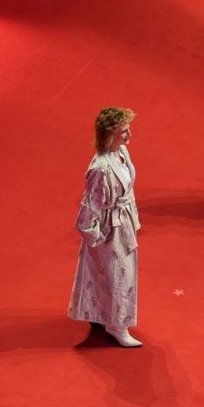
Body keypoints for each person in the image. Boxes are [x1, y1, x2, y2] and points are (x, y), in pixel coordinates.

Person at [69, 107, 143, 348]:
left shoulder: (122, 151)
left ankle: (101, 316)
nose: (129, 135)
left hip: (123, 224)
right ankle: (117, 326)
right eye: (124, 131)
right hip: (110, 229)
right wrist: (95, 236)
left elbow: (127, 190)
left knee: (112, 274)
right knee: (119, 276)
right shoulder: (100, 168)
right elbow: (89, 205)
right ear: (110, 134)